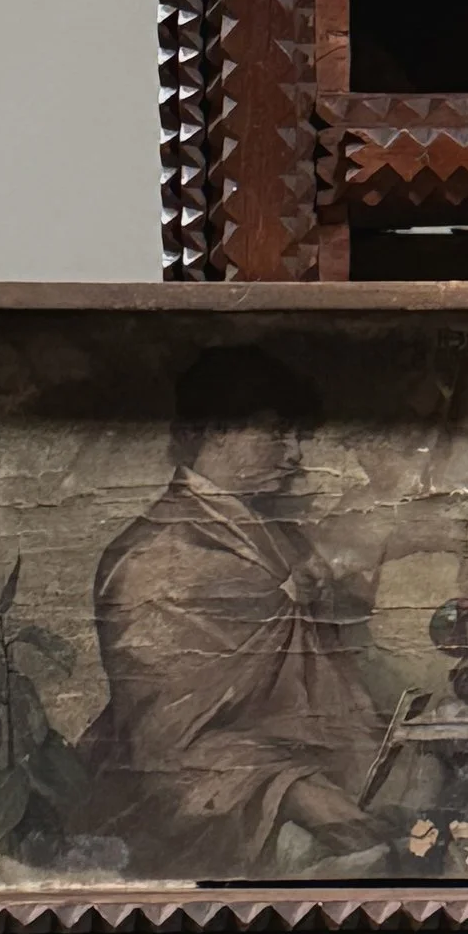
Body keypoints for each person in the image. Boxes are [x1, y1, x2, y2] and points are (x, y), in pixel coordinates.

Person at [75, 347, 387, 875]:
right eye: (276, 433)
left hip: (315, 757)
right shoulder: (153, 555)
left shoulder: (280, 537)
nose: (294, 455)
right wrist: (295, 789)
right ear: (216, 431)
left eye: (298, 437)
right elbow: (165, 736)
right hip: (194, 787)